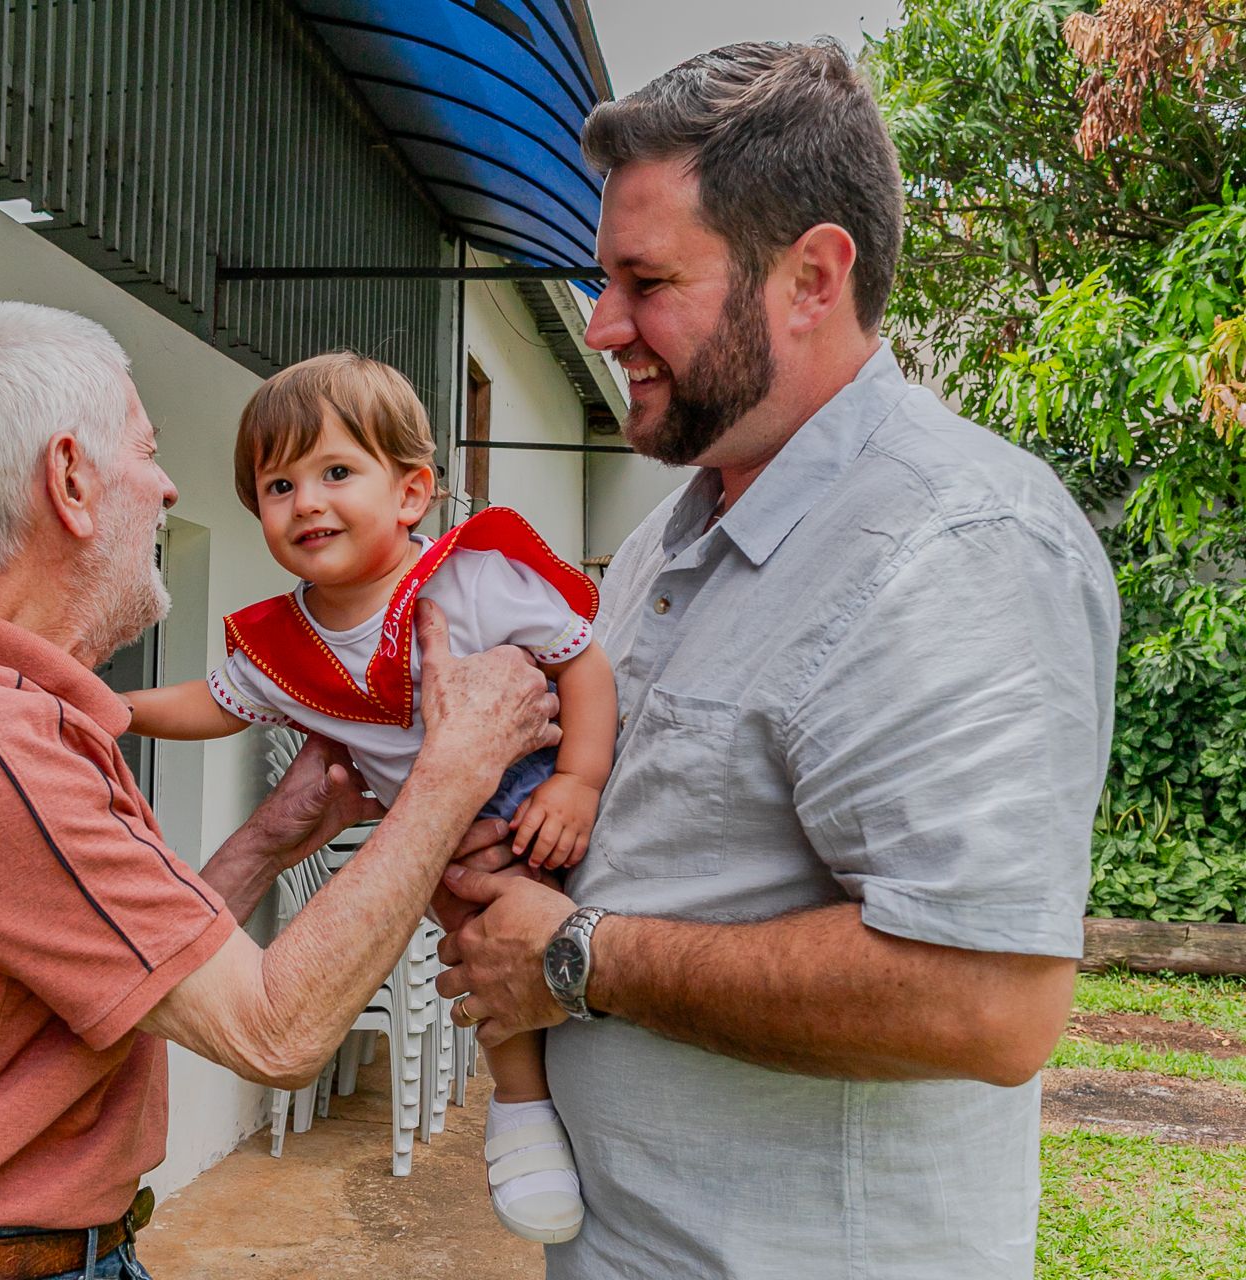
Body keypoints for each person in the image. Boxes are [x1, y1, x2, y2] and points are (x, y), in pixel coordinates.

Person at [432, 40, 1120, 1280]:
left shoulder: (953, 541)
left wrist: (577, 957)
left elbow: (988, 1001)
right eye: (604, 280)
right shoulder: (666, 537)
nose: (605, 325)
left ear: (812, 277)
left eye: (647, 281)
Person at [0, 301, 559, 1280]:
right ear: (72, 481)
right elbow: (274, 1028)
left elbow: (131, 970)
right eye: (148, 451)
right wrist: (454, 770)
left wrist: (269, 838)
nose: (168, 487)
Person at [123, 351, 618, 1243]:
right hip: (444, 848)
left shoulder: (468, 580)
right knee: (483, 950)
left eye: (336, 473)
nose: (306, 502)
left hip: (547, 799)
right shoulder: (285, 645)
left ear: (411, 492)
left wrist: (578, 781)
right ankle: (522, 1106)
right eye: (279, 486)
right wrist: (110, 708)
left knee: (597, 949)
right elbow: (210, 704)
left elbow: (582, 663)